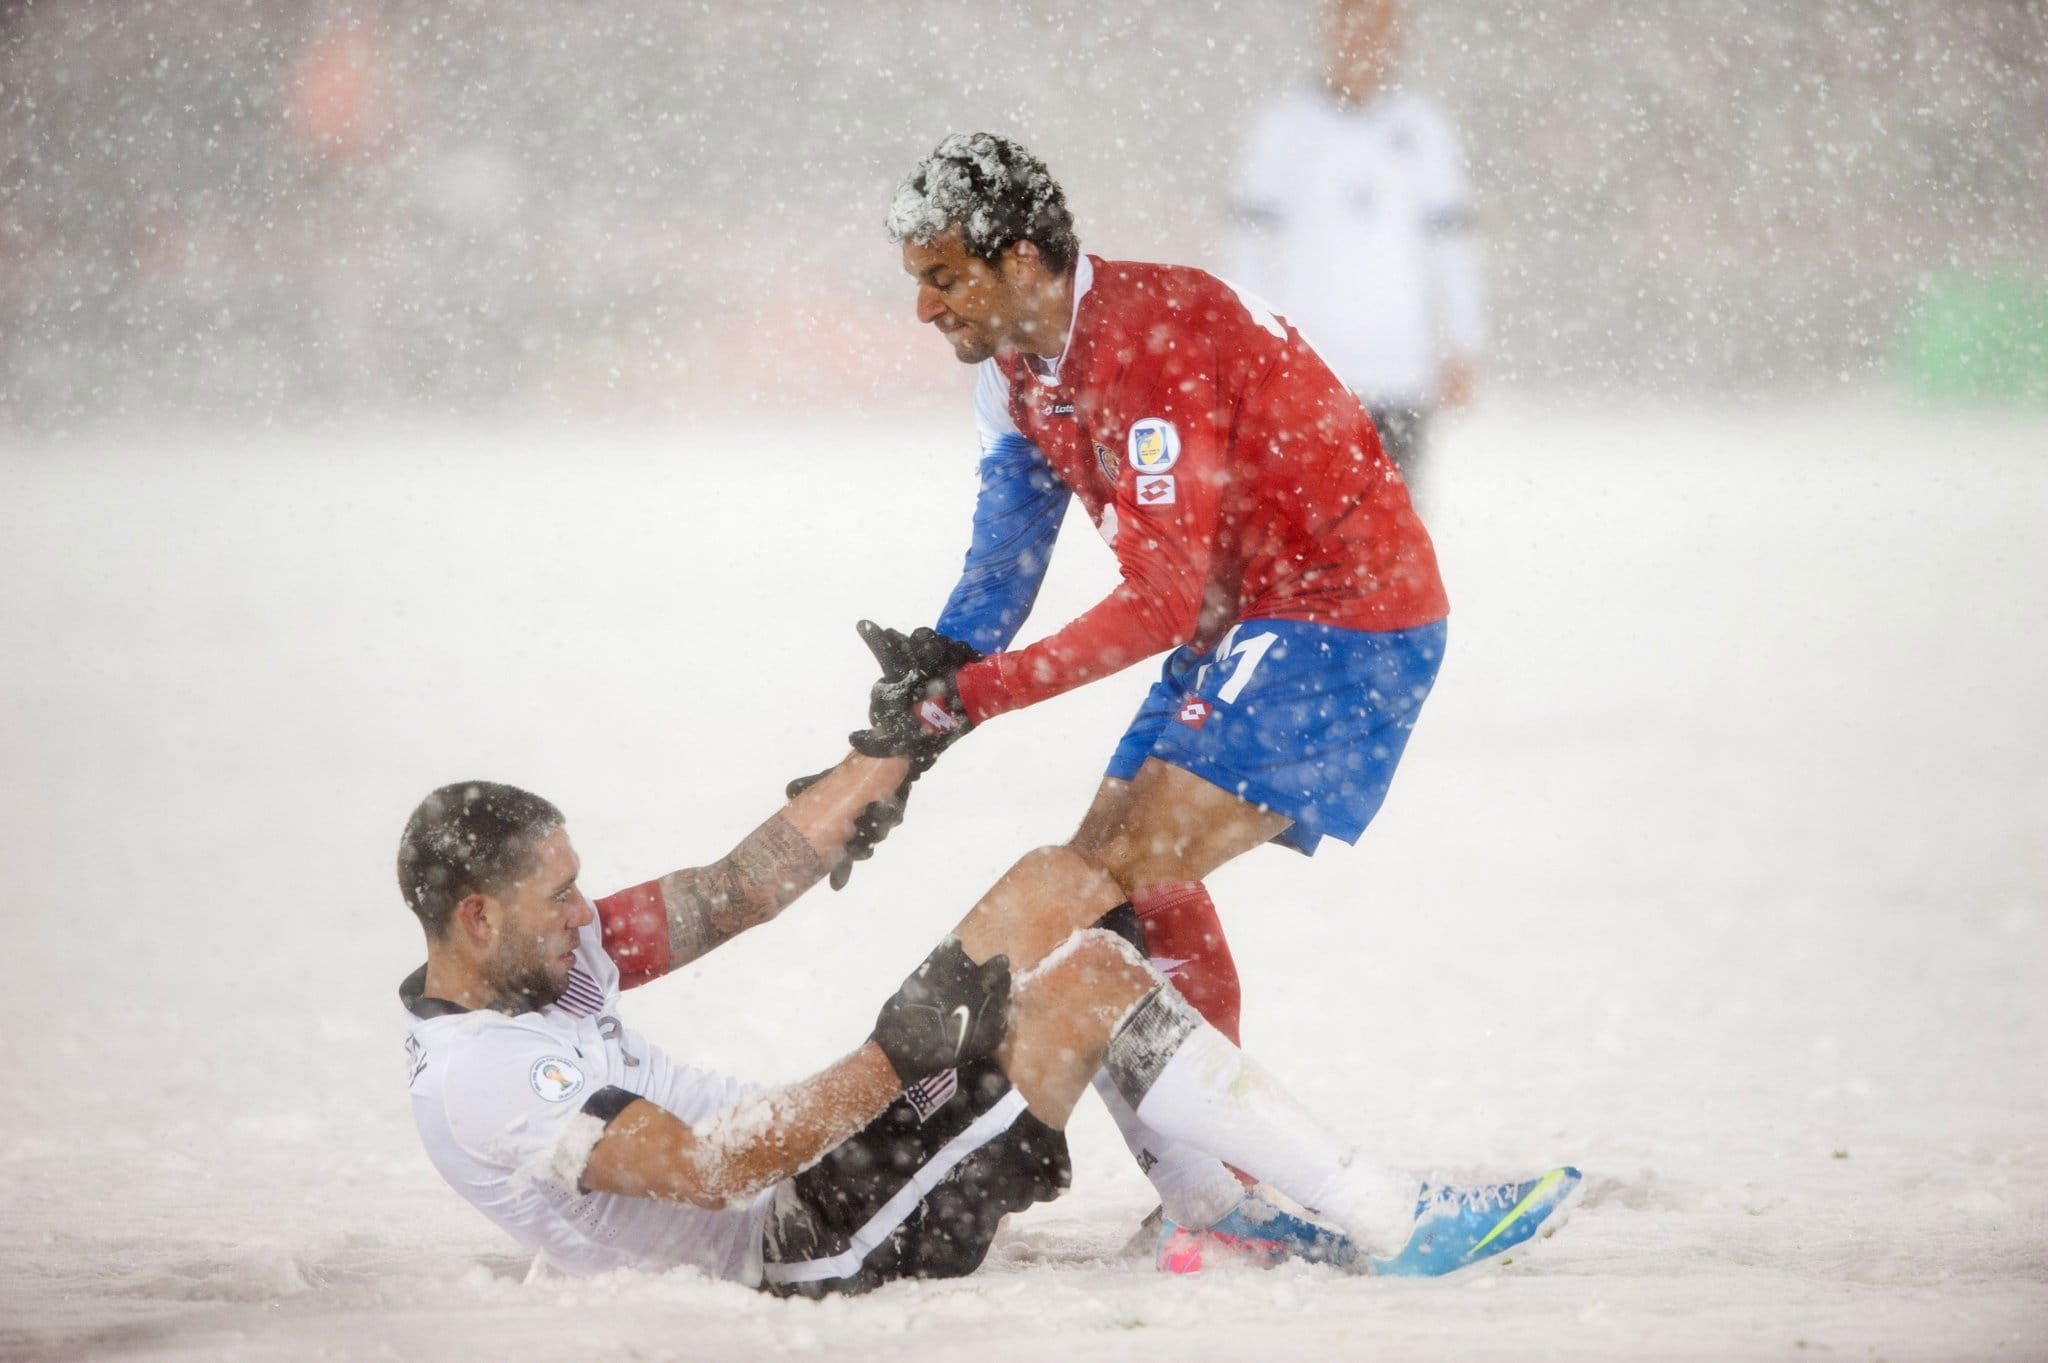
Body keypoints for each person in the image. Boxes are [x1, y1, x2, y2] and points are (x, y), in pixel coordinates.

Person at [862, 130, 1453, 1267]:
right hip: (1252, 617)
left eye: (943, 278)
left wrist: (969, 701)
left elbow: (1156, 606)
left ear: (1024, 258)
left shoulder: (1150, 345)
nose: (926, 308)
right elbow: (1005, 557)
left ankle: (1250, 1191)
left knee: (1104, 885)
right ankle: (1206, 1191)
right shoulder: (1015, 366)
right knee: (1102, 886)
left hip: (1343, 615)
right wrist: (940, 661)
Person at [395, 758, 1579, 1293]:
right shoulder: (482, 1076)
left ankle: (1216, 1207)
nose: (582, 912)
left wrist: (892, 752)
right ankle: (1384, 1219)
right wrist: (898, 1052)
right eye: (558, 895)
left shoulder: (545, 960)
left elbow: (734, 888)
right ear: (476, 914)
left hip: (828, 1159)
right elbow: (713, 1169)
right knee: (1093, 986)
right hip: (800, 1244)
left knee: (1052, 885)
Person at [1226, 0, 1484, 504]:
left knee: (1393, 536)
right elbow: (1249, 249)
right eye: (1352, 20)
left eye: (1379, 24)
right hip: (1307, 375)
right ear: (1329, 25)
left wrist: (1464, 341)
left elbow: (1451, 247)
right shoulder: (1283, 128)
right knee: (1305, 533)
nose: (1364, 38)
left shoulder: (1425, 129)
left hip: (1400, 375)